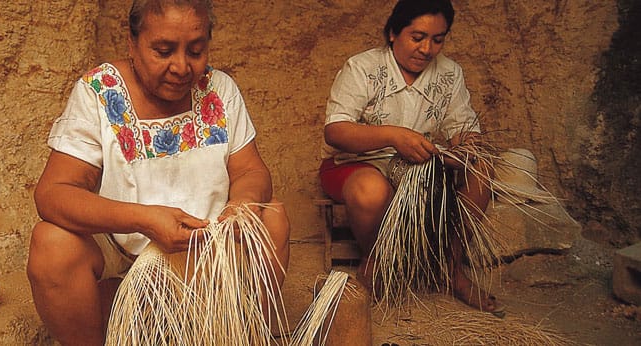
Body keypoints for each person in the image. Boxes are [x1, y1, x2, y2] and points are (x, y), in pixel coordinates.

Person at [26, 1, 290, 344]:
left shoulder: (219, 89)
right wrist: (144, 220)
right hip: (124, 258)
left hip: (208, 254)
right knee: (52, 244)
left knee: (273, 218)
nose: (181, 67)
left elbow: (251, 170)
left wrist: (243, 203)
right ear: (132, 43)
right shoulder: (100, 92)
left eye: (196, 51)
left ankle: (236, 334)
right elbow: (53, 194)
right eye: (163, 50)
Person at [319, 0, 499, 313]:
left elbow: (467, 129)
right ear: (393, 33)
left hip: (419, 167)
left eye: (438, 39)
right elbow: (335, 131)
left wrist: (463, 149)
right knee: (371, 190)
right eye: (417, 37)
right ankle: (375, 260)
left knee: (481, 168)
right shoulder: (363, 67)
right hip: (357, 164)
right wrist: (393, 136)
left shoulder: (450, 74)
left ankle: (451, 269)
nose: (427, 49)